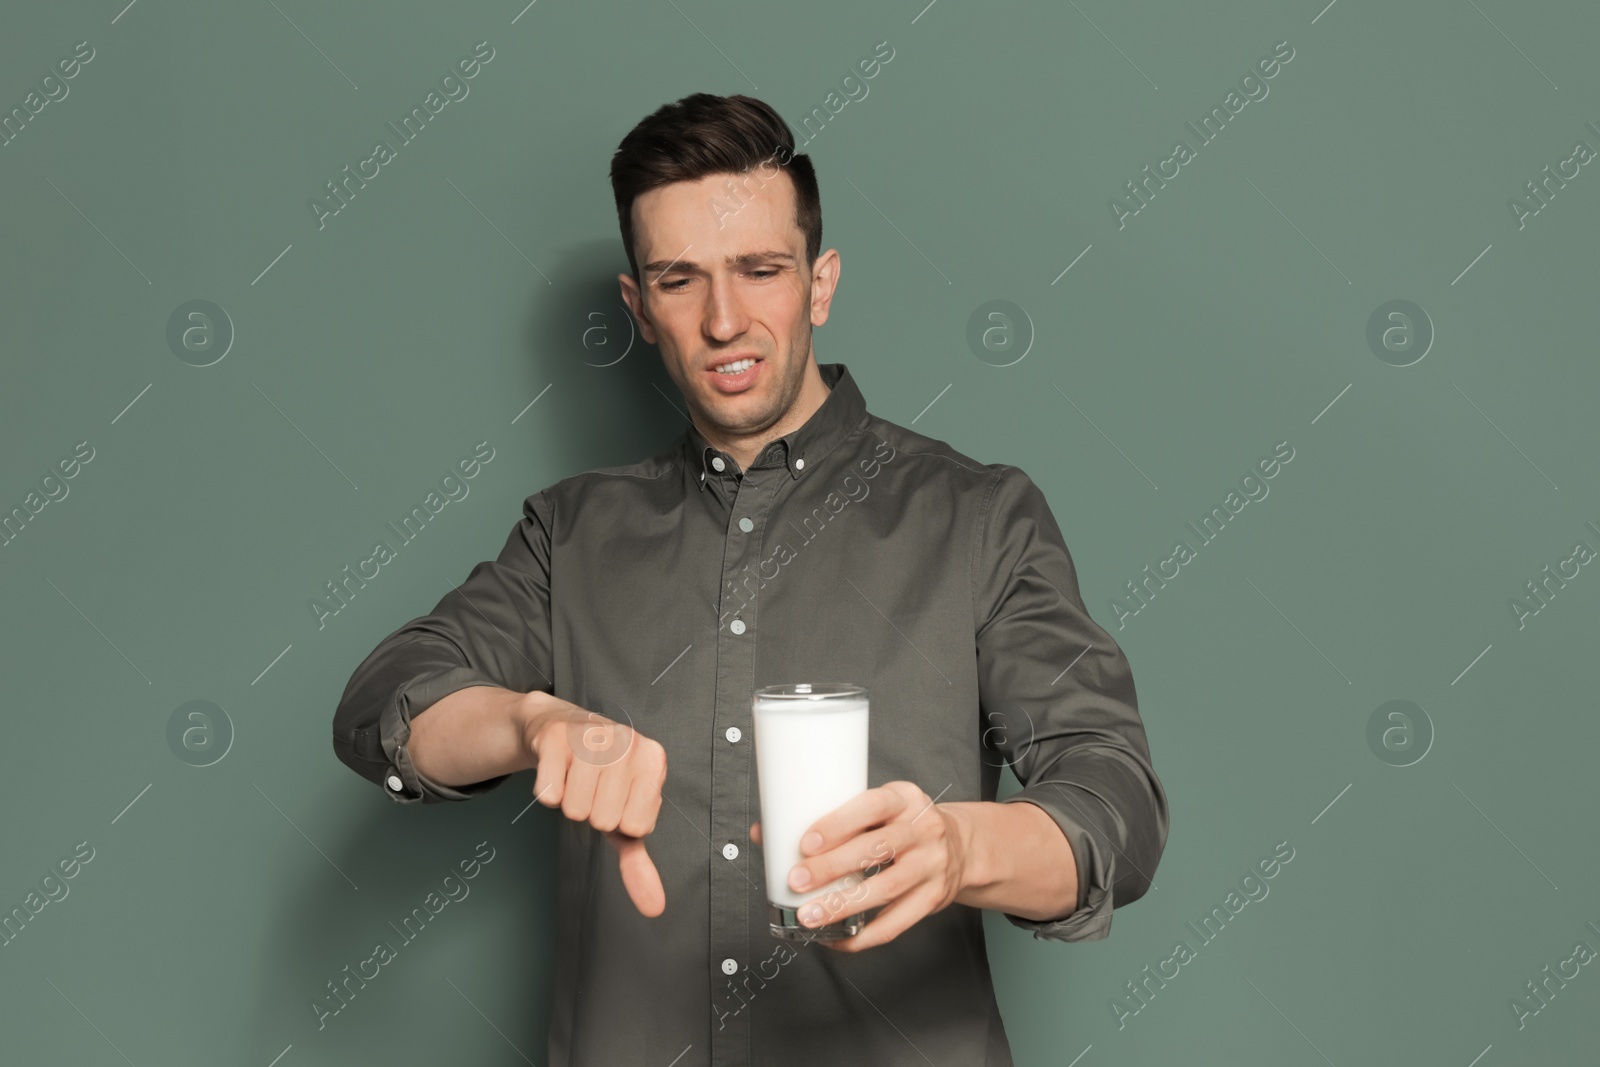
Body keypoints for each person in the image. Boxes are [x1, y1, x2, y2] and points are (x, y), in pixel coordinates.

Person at [331, 91, 1167, 1067]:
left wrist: (958, 849)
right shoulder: (573, 530)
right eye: (679, 280)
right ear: (638, 308)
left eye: (759, 270)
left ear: (819, 283)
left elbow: (1115, 803)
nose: (723, 319)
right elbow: (387, 700)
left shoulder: (979, 516)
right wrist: (532, 721)